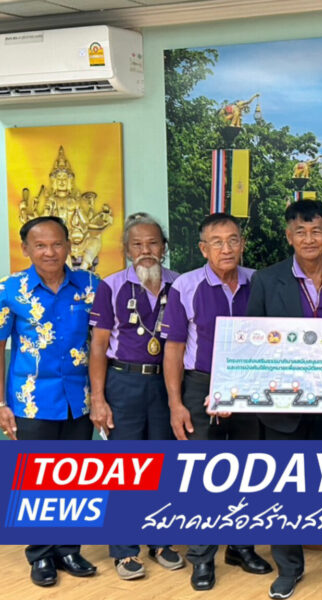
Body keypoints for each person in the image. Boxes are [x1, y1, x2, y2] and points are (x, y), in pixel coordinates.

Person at [246, 199, 322, 600]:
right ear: (288, 236)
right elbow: (253, 339)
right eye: (300, 231)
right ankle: (289, 568)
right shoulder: (267, 279)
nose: (309, 239)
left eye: (316, 231)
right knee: (283, 488)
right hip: (282, 403)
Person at [161, 212, 272, 591]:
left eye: (233, 240)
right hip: (200, 384)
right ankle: (202, 557)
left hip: (250, 385)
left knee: (248, 470)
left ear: (243, 244)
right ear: (203, 248)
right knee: (202, 474)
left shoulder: (259, 282)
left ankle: (241, 547)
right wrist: (176, 404)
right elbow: (174, 349)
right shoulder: (186, 286)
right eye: (217, 242)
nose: (227, 249)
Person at [0, 216, 99, 587]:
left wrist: (101, 396)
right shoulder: (10, 290)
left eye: (57, 244)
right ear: (25, 249)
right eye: (40, 245)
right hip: (30, 400)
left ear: (69, 246)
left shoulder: (90, 286)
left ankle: (69, 549)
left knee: (74, 477)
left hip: (79, 398)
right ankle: (41, 554)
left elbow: (102, 343)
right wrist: (0, 404)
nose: (49, 252)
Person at [88, 212, 184, 579]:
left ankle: (161, 541)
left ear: (164, 248)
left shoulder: (180, 285)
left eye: (153, 243)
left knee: (163, 466)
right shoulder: (111, 286)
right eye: (137, 244)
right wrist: (98, 399)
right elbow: (98, 346)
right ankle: (124, 550)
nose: (146, 250)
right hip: (123, 383)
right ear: (127, 250)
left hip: (167, 385)